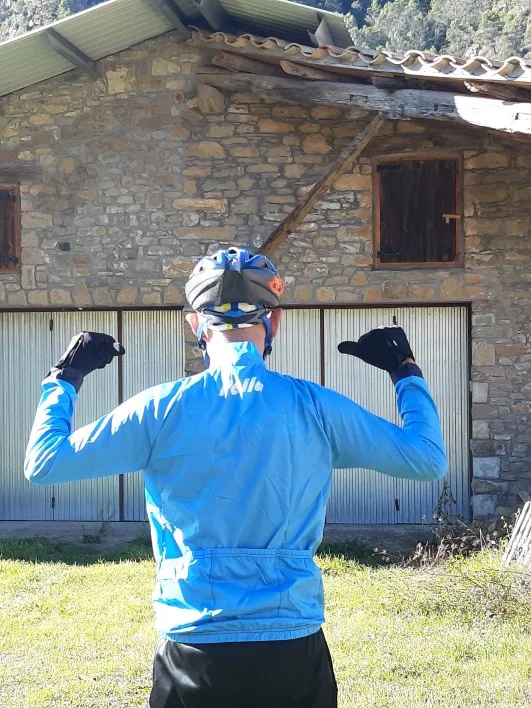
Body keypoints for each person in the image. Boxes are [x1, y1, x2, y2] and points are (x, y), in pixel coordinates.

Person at [25, 247, 448, 708]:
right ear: (274, 321)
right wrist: (405, 372)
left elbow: (45, 462)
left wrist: (65, 378)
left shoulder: (160, 408)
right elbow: (427, 458)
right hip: (292, 644)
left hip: (194, 642)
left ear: (196, 325)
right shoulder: (316, 406)